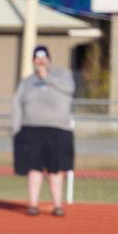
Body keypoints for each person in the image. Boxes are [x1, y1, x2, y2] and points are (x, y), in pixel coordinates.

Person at [11, 45, 74, 217]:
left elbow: (70, 89)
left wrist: (47, 78)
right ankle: (33, 205)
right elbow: (17, 105)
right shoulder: (27, 81)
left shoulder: (62, 75)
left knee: (56, 170)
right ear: (33, 61)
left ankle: (58, 205)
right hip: (31, 129)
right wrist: (16, 129)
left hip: (58, 129)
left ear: (49, 59)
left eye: (43, 57)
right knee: (34, 169)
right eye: (37, 58)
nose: (40, 61)